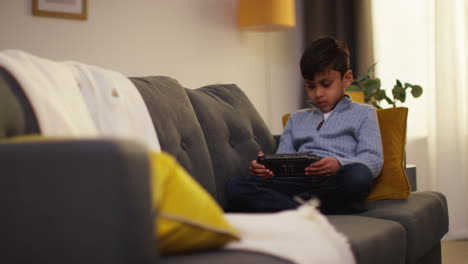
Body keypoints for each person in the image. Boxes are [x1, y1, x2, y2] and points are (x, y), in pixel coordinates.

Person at [226, 36, 384, 214]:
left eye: (326, 84)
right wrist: (268, 169)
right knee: (236, 187)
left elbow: (373, 159)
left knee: (359, 176)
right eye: (310, 86)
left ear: (346, 79)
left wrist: (339, 163)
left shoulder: (364, 113)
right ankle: (312, 209)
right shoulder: (296, 119)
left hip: (336, 180)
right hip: (298, 183)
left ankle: (294, 208)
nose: (318, 93)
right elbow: (284, 159)